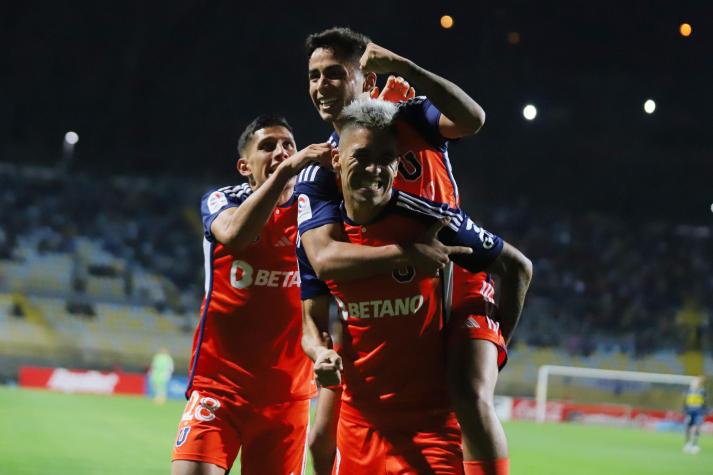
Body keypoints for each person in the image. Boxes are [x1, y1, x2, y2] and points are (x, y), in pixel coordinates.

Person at [299, 27, 532, 475]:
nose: (321, 86)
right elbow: (321, 257)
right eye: (313, 76)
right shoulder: (326, 167)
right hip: (381, 282)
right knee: (332, 426)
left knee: (468, 395)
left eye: (333, 74)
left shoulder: (408, 117)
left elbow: (472, 119)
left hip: (456, 270)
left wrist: (406, 68)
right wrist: (407, 254)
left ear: (364, 77)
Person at [171, 115, 333, 475]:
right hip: (220, 389)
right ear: (244, 166)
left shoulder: (313, 214)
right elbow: (235, 235)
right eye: (268, 146)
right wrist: (288, 169)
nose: (281, 151)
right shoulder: (222, 201)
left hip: (287, 397)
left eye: (288, 144)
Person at [683, 377, 707, 454]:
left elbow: (704, 403)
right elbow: (686, 402)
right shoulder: (688, 391)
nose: (693, 383)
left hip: (698, 412)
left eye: (695, 381)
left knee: (697, 427)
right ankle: (687, 443)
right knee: (688, 427)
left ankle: (695, 444)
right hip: (690, 412)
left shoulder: (702, 391)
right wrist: (685, 410)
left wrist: (704, 411)